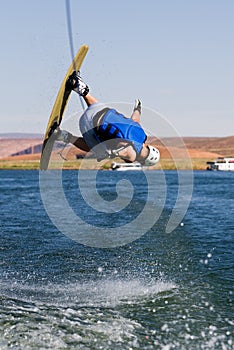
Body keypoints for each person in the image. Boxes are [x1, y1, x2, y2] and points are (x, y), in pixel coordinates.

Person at [55, 71, 160, 166]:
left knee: (108, 113)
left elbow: (136, 119)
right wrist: (111, 153)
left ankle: (81, 88)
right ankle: (62, 135)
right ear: (142, 161)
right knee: (99, 150)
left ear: (149, 147)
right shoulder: (132, 156)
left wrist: (138, 109)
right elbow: (126, 150)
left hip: (97, 110)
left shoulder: (141, 132)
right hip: (88, 125)